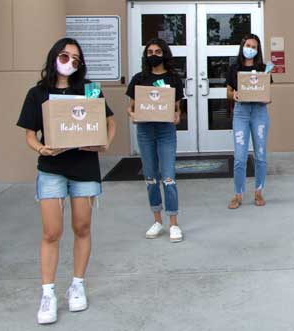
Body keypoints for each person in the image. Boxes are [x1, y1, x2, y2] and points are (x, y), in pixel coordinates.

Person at [16, 37, 116, 324]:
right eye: (64, 55)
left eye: (75, 58)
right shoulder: (38, 94)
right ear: (53, 57)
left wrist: (104, 144)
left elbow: (110, 122)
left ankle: (77, 285)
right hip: (51, 169)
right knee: (51, 232)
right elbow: (29, 134)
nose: (70, 61)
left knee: (82, 227)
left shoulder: (90, 90)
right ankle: (47, 293)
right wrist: (41, 148)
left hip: (84, 168)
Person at [126, 38, 185, 242]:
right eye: (150, 51)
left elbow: (178, 109)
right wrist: (132, 115)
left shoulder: (174, 79)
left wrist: (177, 116)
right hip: (145, 131)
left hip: (165, 131)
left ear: (164, 54)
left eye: (158, 51)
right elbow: (131, 107)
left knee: (168, 177)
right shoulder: (139, 79)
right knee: (151, 177)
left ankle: (174, 223)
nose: (153, 55)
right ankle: (157, 220)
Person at [226, 34, 272, 209]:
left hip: (259, 112)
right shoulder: (234, 68)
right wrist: (234, 95)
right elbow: (228, 92)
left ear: (257, 49)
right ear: (242, 46)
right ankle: (238, 194)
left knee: (260, 155)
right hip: (241, 113)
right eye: (248, 45)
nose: (250, 49)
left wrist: (266, 98)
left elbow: (267, 92)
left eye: (254, 47)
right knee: (239, 157)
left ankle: (259, 191)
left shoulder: (264, 68)